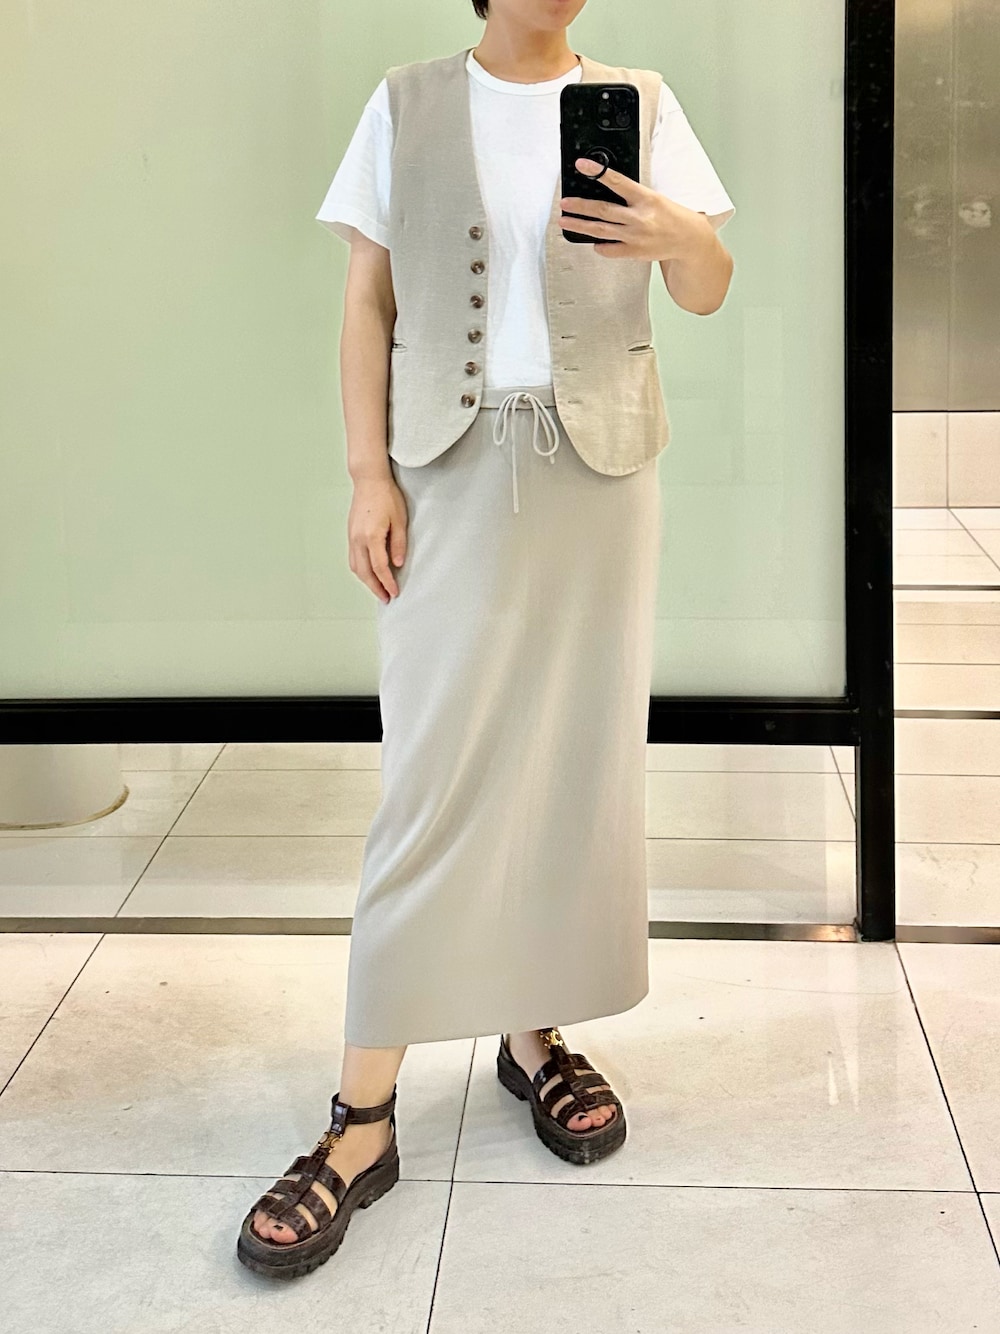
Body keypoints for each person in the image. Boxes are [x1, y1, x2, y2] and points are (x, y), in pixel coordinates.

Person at [237, 0, 735, 1281]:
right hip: (446, 469)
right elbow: (366, 298)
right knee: (436, 774)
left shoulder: (640, 99)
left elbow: (704, 287)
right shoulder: (405, 101)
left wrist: (681, 235)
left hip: (600, 475)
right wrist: (368, 475)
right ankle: (361, 1113)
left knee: (569, 761)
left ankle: (532, 1035)